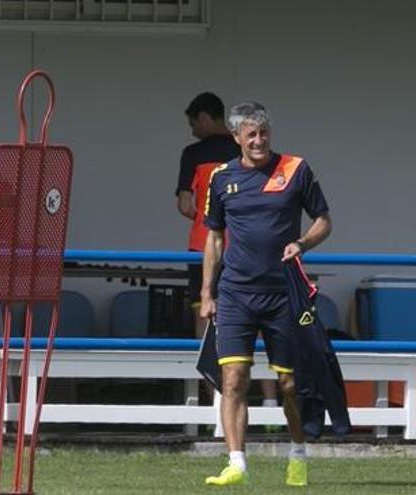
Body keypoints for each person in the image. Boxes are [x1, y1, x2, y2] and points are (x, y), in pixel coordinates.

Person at [200, 102, 332, 486]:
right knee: (233, 379)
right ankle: (236, 463)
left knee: (290, 383)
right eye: (251, 134)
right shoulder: (222, 178)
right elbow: (214, 238)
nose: (259, 141)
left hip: (283, 295)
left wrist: (303, 243)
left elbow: (324, 221)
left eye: (264, 133)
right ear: (237, 137)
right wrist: (207, 293)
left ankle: (298, 452)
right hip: (236, 294)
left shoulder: (296, 169)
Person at [175, 92, 282, 415]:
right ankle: (270, 401)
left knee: (206, 326)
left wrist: (208, 216)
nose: (194, 130)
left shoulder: (193, 154)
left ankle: (216, 406)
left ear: (205, 118)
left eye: (194, 123)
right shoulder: (246, 152)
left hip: (204, 246)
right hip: (250, 249)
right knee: (261, 327)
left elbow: (184, 205)